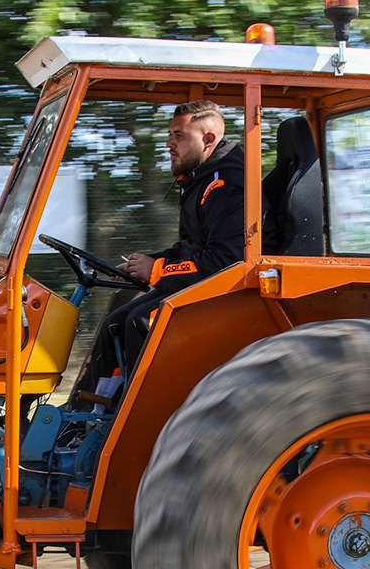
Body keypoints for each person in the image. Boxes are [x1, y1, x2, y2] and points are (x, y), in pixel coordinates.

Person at [78, 100, 246, 399]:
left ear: (209, 139)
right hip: (204, 283)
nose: (169, 143)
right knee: (117, 320)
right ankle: (93, 410)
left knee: (141, 321)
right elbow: (190, 248)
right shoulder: (199, 181)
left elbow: (226, 260)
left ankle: (143, 417)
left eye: (179, 136)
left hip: (230, 292)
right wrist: (145, 264)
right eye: (170, 134)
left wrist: (156, 270)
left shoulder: (225, 186)